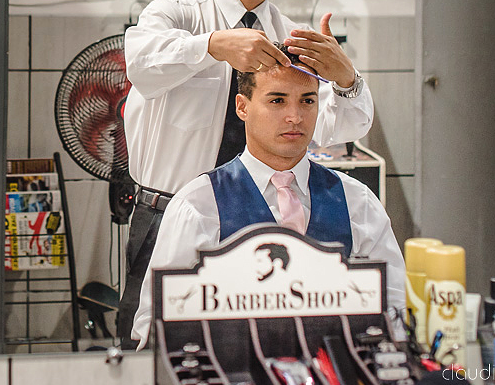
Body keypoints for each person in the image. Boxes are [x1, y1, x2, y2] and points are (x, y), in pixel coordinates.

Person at [117, 0, 373, 343]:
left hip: (261, 217)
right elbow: (141, 65)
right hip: (166, 213)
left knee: (251, 347)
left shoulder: (289, 37)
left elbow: (342, 125)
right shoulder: (176, 15)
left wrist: (346, 77)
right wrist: (214, 45)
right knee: (150, 347)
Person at [131, 57, 405, 347]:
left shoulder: (358, 203)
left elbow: (394, 310)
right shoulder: (198, 206)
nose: (295, 117)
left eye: (307, 101)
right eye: (277, 101)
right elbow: (156, 322)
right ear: (242, 107)